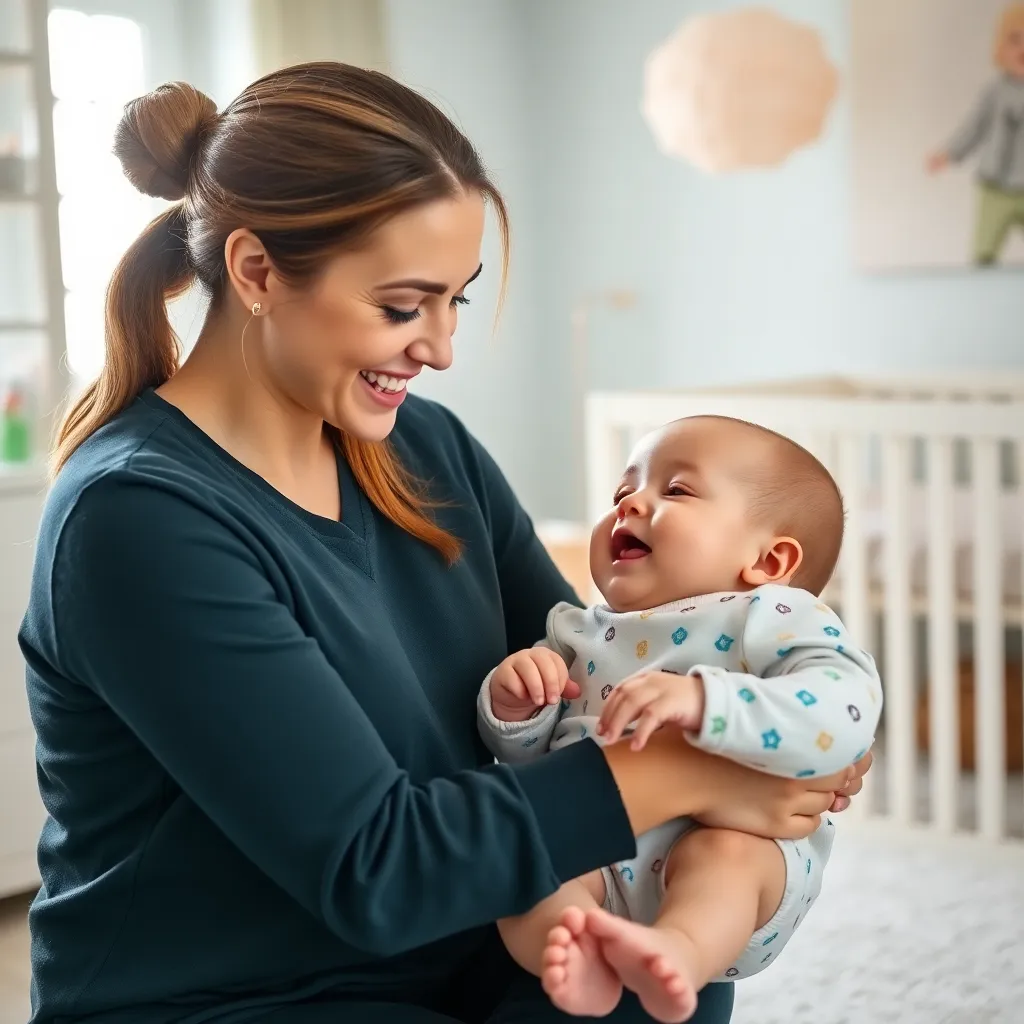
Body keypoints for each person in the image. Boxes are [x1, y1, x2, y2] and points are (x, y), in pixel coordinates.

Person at [19, 63, 870, 1024]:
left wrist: (778, 715)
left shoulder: (425, 448)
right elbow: (378, 869)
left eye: (455, 300)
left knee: (661, 968)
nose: (440, 348)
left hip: (457, 946)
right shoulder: (137, 519)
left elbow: (587, 674)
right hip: (235, 997)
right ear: (257, 271)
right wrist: (713, 768)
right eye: (401, 306)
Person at [478, 416, 882, 1022]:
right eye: (621, 493)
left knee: (724, 857)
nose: (630, 502)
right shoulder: (576, 630)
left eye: (677, 490)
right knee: (524, 868)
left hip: (730, 847)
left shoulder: (770, 616)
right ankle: (580, 951)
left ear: (769, 560)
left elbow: (846, 707)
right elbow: (534, 769)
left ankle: (678, 952)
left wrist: (708, 703)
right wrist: (517, 711)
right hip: (590, 844)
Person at [926, 3, 1024, 265]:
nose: (1022, 49)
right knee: (984, 251)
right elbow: (974, 128)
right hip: (995, 186)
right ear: (1001, 48)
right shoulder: (994, 93)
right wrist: (948, 153)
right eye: (1015, 40)